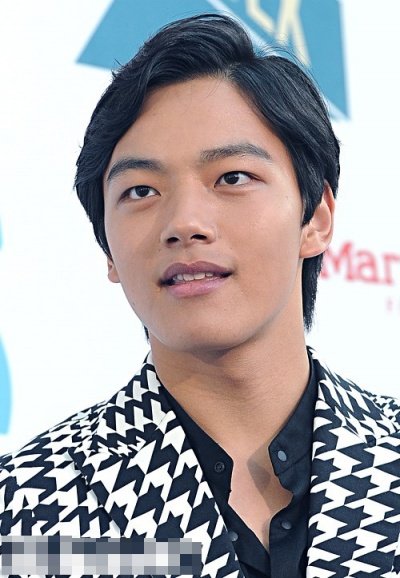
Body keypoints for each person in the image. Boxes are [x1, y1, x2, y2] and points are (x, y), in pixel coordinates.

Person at [1, 13, 399, 578]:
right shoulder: (24, 511)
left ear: (315, 218)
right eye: (141, 190)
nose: (184, 222)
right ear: (108, 249)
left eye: (232, 178)